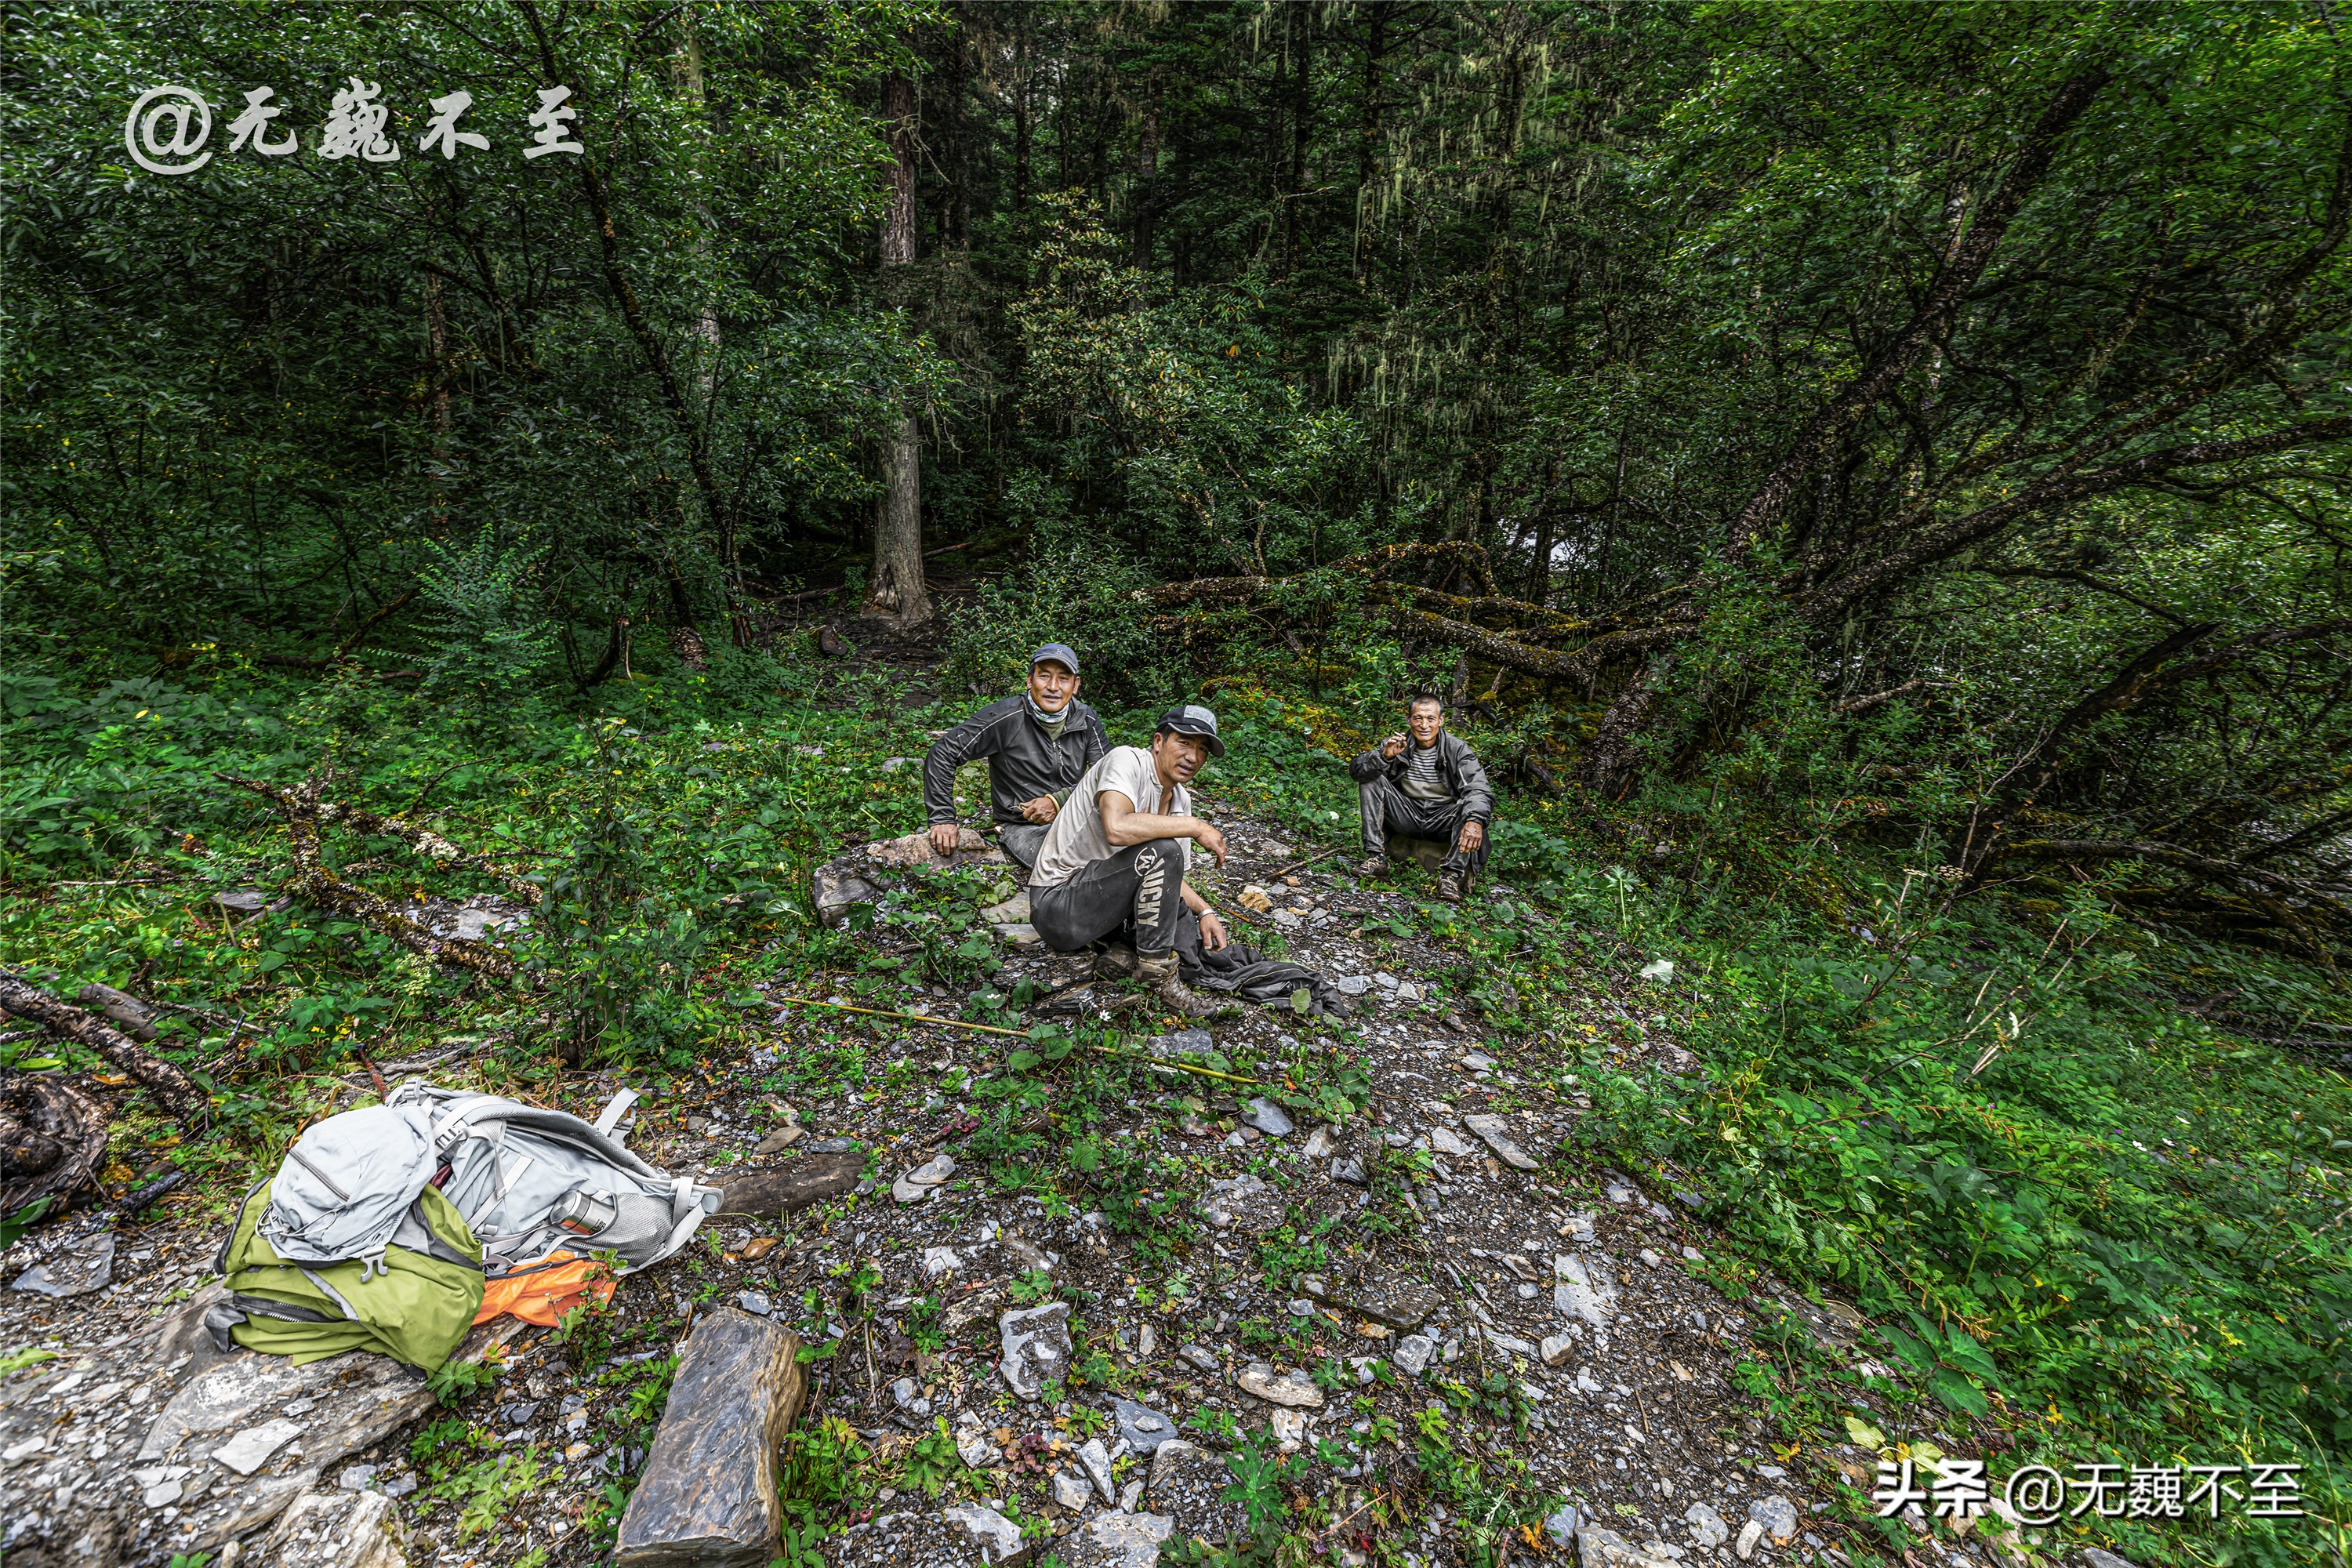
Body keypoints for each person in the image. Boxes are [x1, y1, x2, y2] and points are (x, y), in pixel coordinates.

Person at [1027, 704, 1233, 1015]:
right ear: (1158, 742)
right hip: (1057, 906)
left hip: (1102, 907)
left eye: (1202, 749)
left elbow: (1169, 876)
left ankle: (1123, 953)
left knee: (1182, 915)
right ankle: (1157, 977)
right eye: (1184, 742)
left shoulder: (1180, 799)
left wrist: (1205, 911)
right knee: (1166, 849)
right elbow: (1117, 828)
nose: (1193, 757)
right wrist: (1196, 827)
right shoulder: (1127, 761)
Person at [923, 644, 1109, 871]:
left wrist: (1057, 800)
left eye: (1063, 678)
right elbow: (943, 753)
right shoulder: (1006, 717)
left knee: (1124, 850)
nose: (1053, 687)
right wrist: (942, 819)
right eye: (1044, 676)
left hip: (1078, 817)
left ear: (1075, 685)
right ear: (1030, 680)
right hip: (1022, 826)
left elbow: (1109, 773)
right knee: (1073, 867)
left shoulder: (1086, 718)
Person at [1349, 693, 1493, 902]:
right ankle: (1376, 858)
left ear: (1441, 721)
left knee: (1470, 808)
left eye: (1430, 718)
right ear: (1409, 719)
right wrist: (1384, 756)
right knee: (1372, 779)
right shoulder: (1398, 744)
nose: (1424, 725)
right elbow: (1358, 772)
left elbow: (1478, 788)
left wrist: (1475, 820)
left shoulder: (1457, 749)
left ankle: (1450, 876)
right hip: (1407, 812)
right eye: (1418, 718)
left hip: (1442, 816)